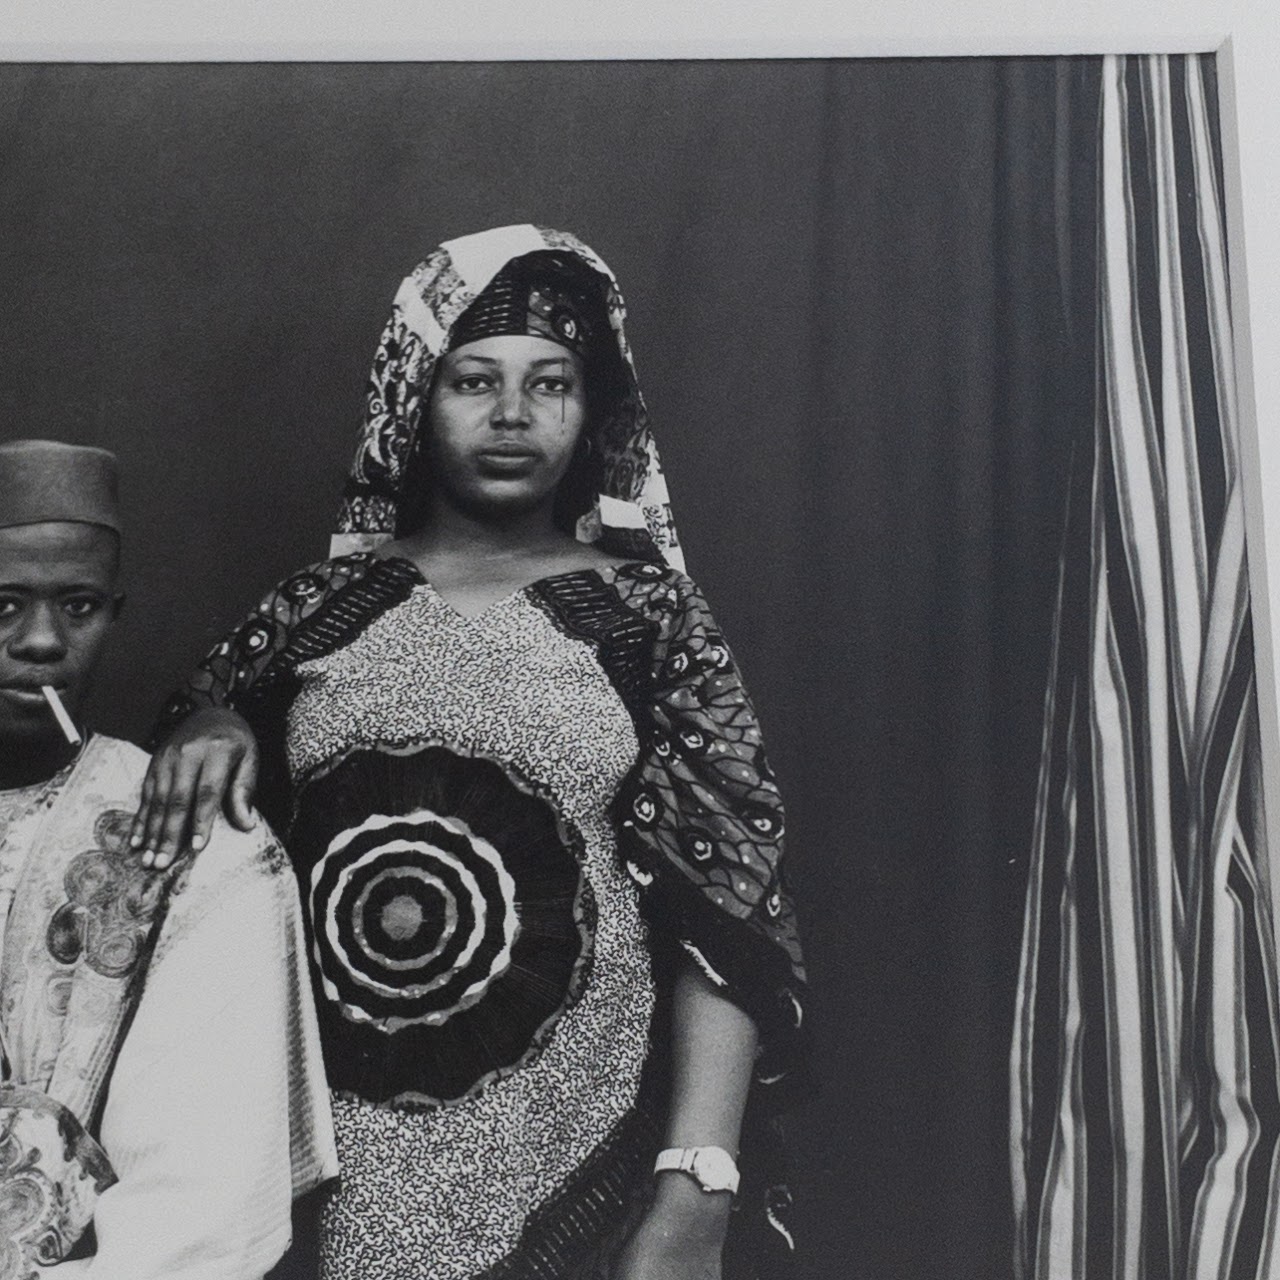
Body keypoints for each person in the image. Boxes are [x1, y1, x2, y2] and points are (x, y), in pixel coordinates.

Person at [133, 225, 807, 1280]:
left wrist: (693, 1180)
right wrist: (210, 720)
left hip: (589, 1160)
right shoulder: (316, 609)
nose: (510, 415)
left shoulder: (647, 615)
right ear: (413, 397)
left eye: (550, 384)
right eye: (473, 380)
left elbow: (723, 902)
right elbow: (168, 821)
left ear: (591, 414)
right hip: (321, 1168)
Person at [0, 438, 337, 1278]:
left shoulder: (195, 840)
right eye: (2, 604)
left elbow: (201, 1213)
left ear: (114, 611)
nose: (42, 642)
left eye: (77, 606)